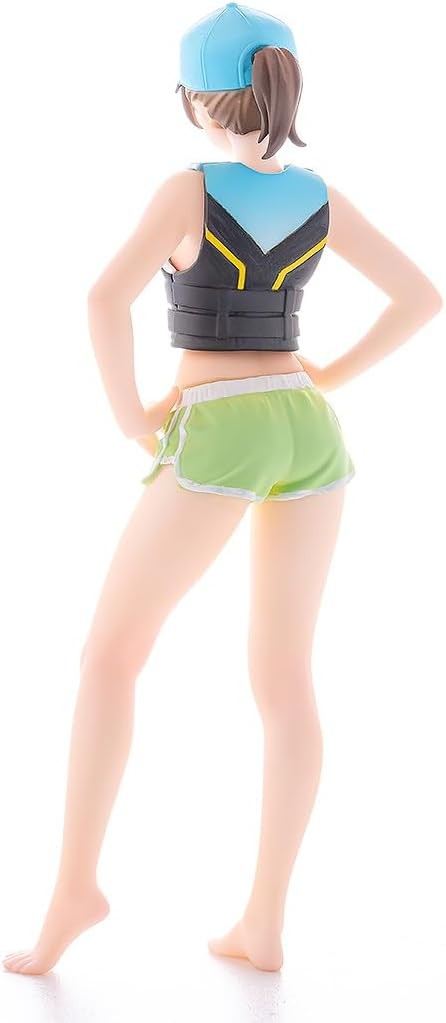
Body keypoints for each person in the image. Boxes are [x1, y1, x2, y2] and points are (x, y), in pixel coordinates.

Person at [3, 2, 442, 976]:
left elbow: (102, 297)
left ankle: (75, 888)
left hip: (221, 428)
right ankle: (263, 921)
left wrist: (130, 417)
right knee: (285, 682)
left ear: (197, 100)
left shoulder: (188, 188)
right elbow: (422, 297)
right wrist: (321, 377)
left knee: (110, 655)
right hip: (308, 430)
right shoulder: (319, 194)